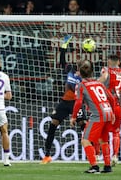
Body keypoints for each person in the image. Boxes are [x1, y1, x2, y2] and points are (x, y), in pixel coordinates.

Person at [41, 35, 86, 164]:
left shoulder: (86, 77)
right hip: (65, 102)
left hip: (77, 103)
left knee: (84, 126)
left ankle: (93, 151)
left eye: (82, 63)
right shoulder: (70, 71)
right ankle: (47, 155)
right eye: (78, 63)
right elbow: (61, 61)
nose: (79, 63)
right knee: (53, 125)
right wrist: (64, 45)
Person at [70, 60, 116, 174]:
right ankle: (107, 166)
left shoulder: (82, 85)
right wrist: (113, 113)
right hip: (108, 112)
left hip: (98, 115)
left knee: (85, 141)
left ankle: (94, 166)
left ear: (80, 73)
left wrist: (74, 117)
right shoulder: (99, 83)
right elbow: (112, 98)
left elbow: (78, 103)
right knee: (103, 140)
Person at [98, 54, 121, 166]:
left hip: (108, 103)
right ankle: (115, 156)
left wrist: (94, 82)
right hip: (118, 105)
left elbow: (103, 78)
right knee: (116, 132)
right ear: (118, 62)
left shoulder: (106, 69)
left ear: (109, 62)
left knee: (101, 129)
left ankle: (97, 154)